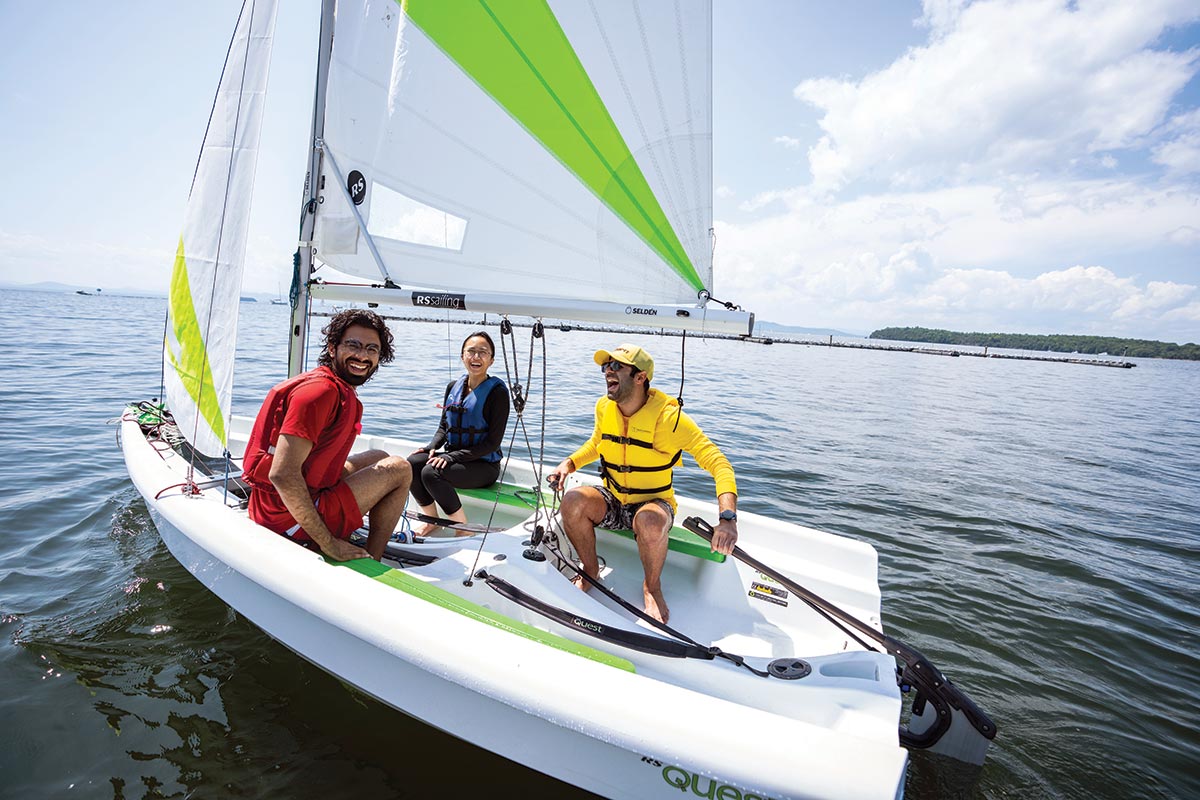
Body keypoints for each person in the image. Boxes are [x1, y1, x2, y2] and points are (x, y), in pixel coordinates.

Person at [546, 343, 738, 623]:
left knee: (648, 519)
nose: (607, 371)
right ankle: (590, 569)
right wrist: (569, 463)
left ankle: (652, 586)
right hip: (613, 499)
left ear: (640, 377)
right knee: (573, 500)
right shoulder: (603, 407)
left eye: (616, 366)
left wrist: (728, 518)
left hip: (653, 504)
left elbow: (719, 463)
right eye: (605, 366)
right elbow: (598, 442)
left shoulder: (671, 419)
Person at [241, 309, 412, 561]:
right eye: (353, 345)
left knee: (379, 456)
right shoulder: (320, 393)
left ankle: (350, 535)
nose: (362, 356)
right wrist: (329, 543)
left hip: (277, 504)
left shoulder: (332, 386)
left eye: (371, 349)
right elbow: (283, 474)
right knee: (400, 468)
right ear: (332, 348)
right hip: (285, 519)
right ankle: (371, 561)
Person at [407, 331, 510, 536]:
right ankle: (431, 520)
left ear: (491, 360)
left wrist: (449, 456)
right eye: (471, 351)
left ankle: (463, 527)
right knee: (412, 463)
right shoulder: (453, 387)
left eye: (483, 352)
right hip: (456, 459)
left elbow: (492, 443)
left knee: (430, 472)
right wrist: (431, 447)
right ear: (462, 356)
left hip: (483, 465)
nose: (476, 357)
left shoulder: (497, 393)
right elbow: (444, 427)